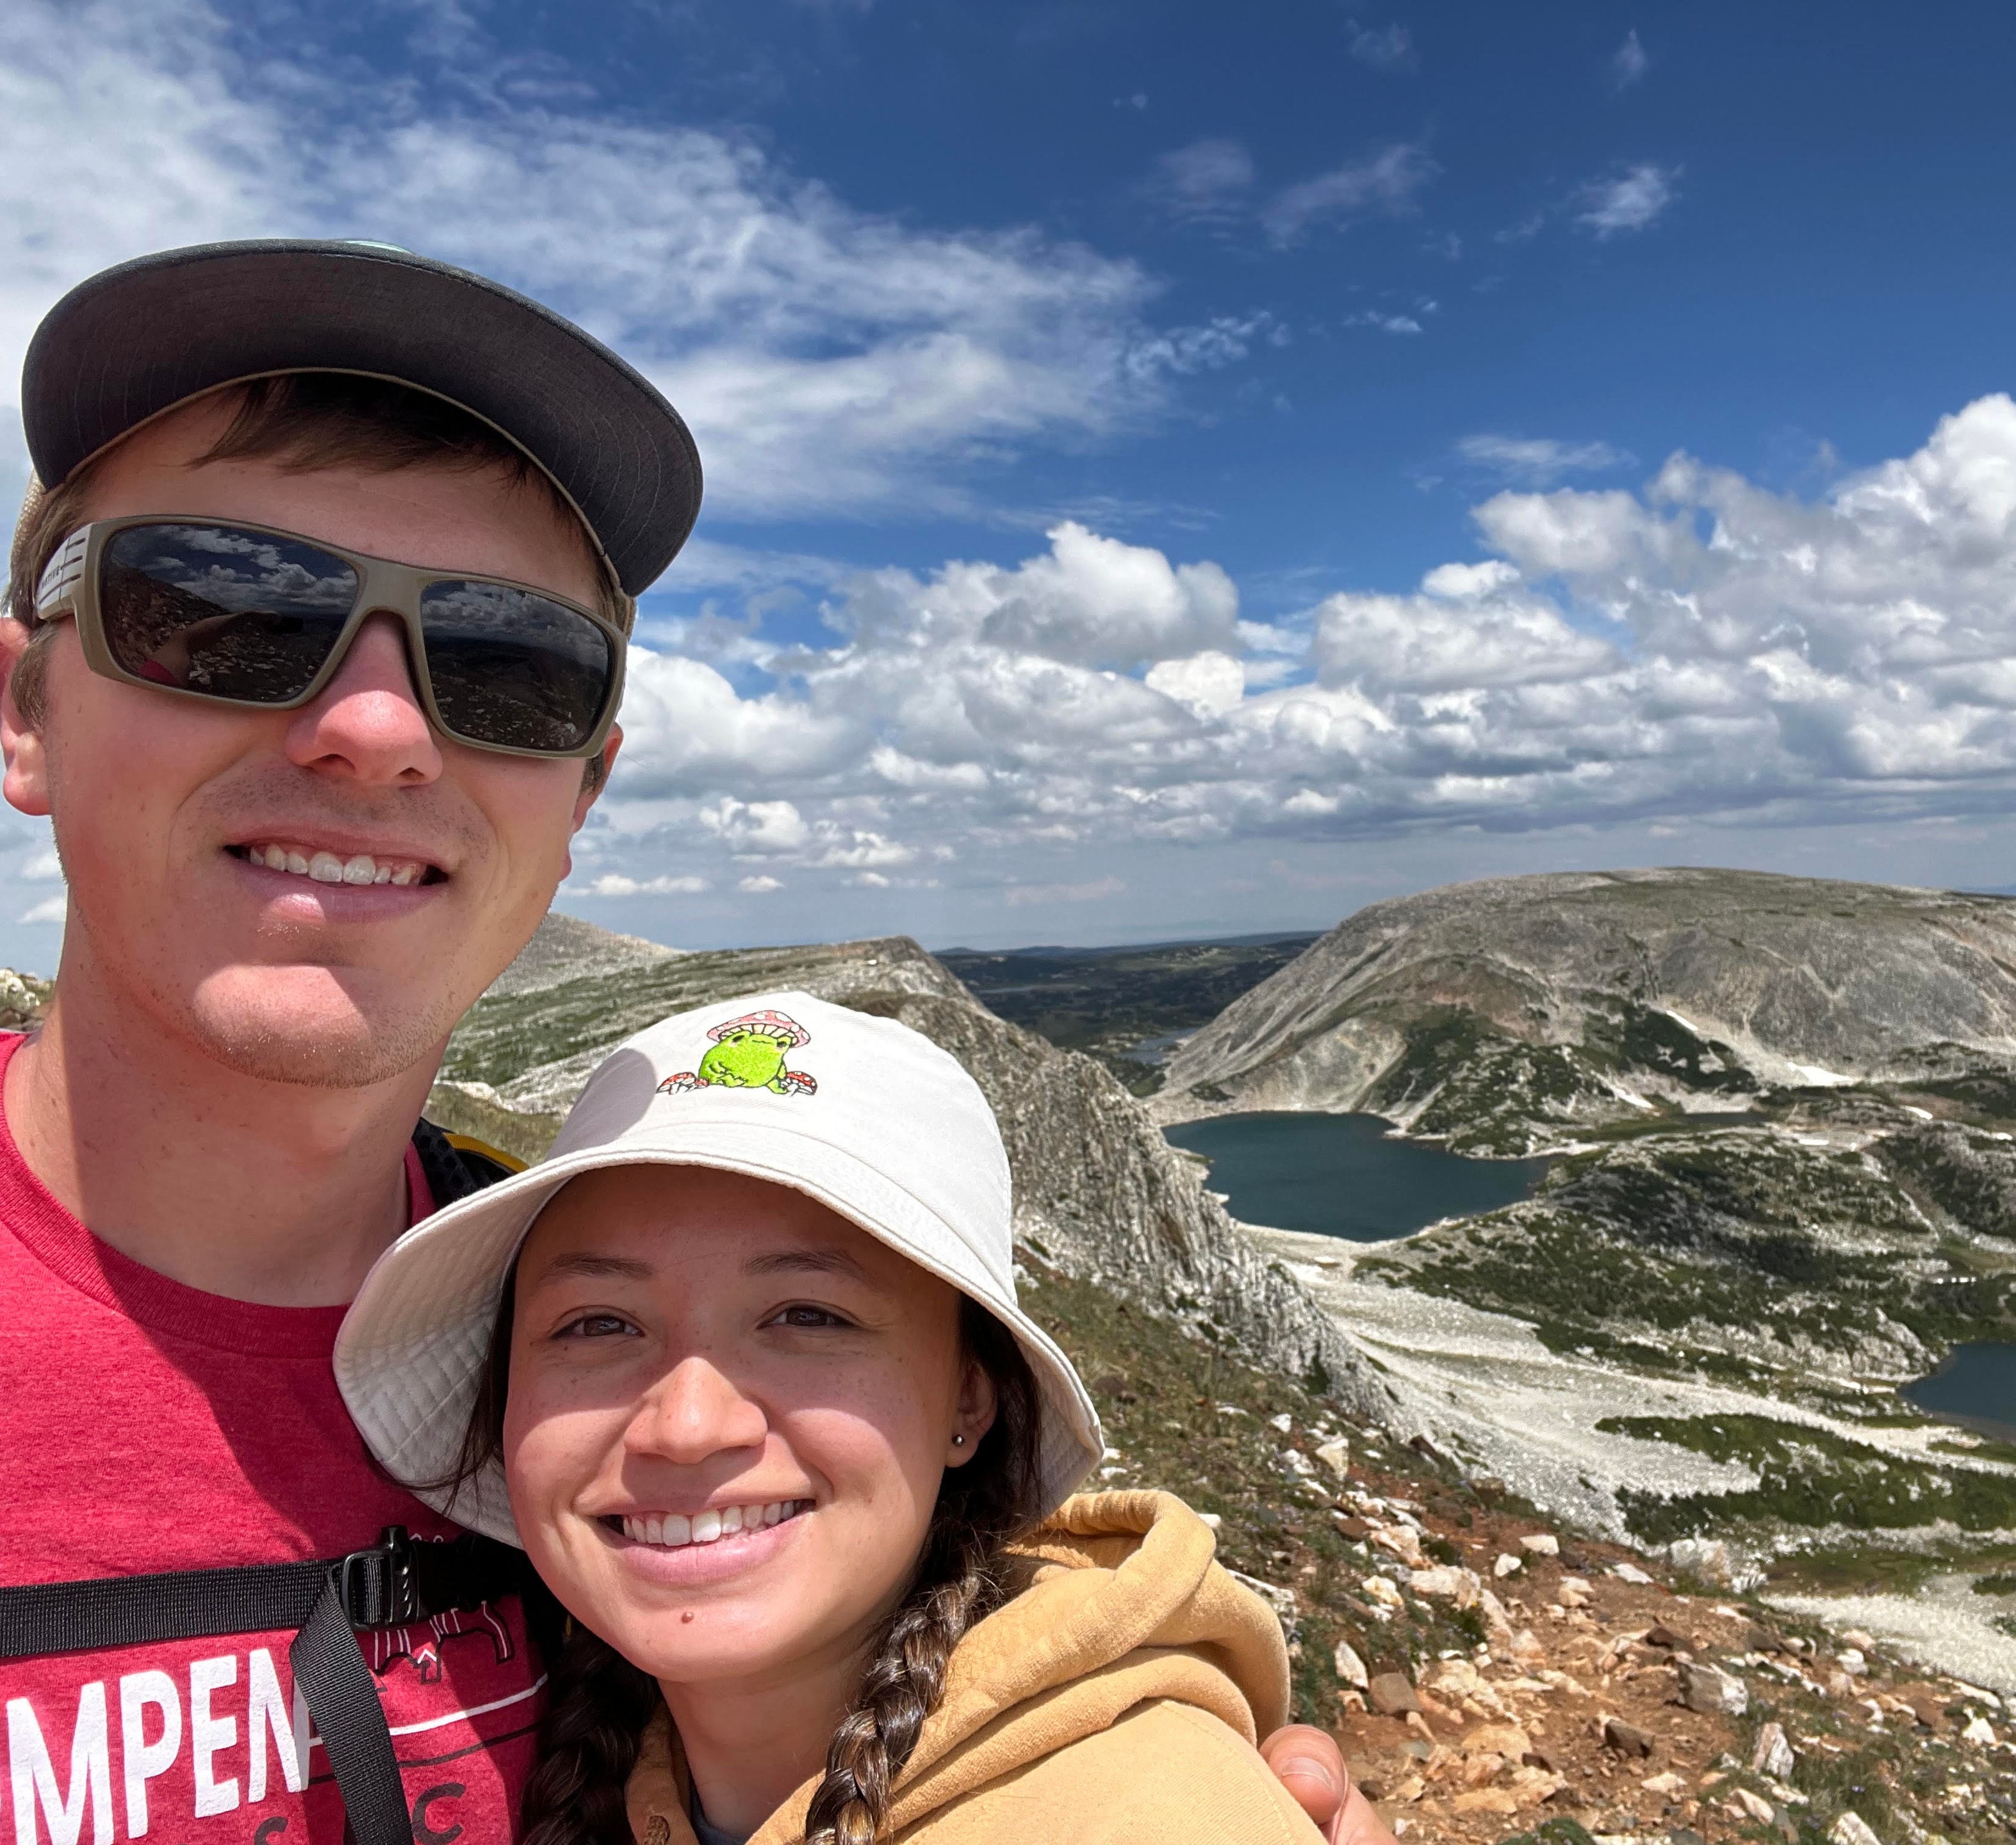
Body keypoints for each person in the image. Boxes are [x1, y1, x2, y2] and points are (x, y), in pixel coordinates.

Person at [0, 242, 1388, 1845]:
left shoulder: (597, 1345)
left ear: (577, 799)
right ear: (28, 708)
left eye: (507, 667)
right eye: (229, 608)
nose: (374, 729)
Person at [336, 990, 1327, 1845]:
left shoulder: (1152, 1812)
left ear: (968, 1400)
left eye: (809, 1316)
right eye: (598, 1323)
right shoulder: (602, 1753)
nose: (685, 1425)